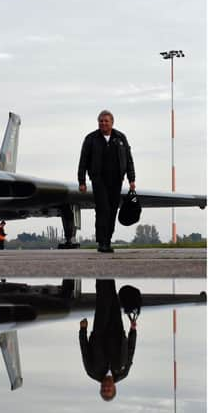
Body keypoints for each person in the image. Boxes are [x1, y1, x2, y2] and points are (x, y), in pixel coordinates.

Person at [78, 110, 136, 253]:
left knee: (112, 211)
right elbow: (83, 161)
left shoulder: (120, 138)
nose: (103, 123)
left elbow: (128, 159)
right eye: (101, 121)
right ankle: (102, 242)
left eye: (106, 121)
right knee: (102, 209)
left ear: (112, 123)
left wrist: (131, 179)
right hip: (99, 180)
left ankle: (108, 240)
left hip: (116, 180)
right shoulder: (91, 139)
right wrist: (82, 181)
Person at [79, 279, 137, 401]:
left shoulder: (92, 372)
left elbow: (84, 351)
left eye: (104, 390)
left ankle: (101, 272)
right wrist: (133, 331)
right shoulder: (123, 373)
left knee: (103, 298)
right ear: (114, 388)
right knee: (112, 296)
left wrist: (83, 330)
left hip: (100, 331)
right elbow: (131, 350)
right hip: (117, 330)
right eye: (109, 390)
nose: (106, 387)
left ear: (100, 388)